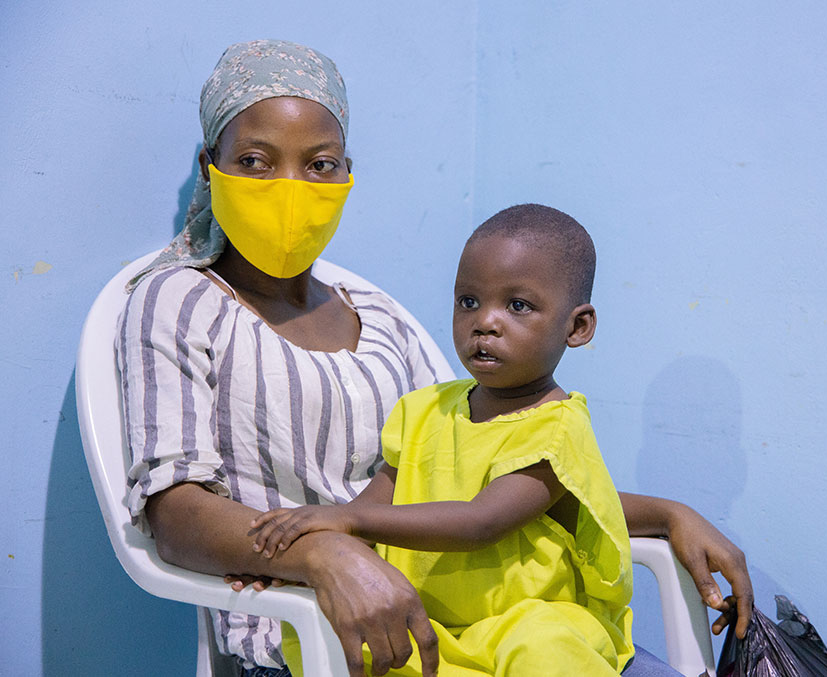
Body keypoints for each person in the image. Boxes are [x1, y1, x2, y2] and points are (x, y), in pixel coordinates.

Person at [117, 39, 753, 677]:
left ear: (345, 174)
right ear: (211, 166)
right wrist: (322, 555)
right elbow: (175, 516)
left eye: (319, 164)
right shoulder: (177, 300)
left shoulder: (379, 314)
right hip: (316, 631)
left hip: (477, 626)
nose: (290, 187)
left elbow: (494, 470)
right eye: (255, 161)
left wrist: (671, 514)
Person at [253, 205, 634, 675]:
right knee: (347, 639)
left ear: (577, 327)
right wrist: (296, 547)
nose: (485, 323)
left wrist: (345, 518)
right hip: (434, 630)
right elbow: (375, 507)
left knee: (548, 647)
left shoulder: (558, 429)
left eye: (518, 305)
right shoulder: (424, 410)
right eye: (469, 302)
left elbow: (480, 523)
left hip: (521, 629)